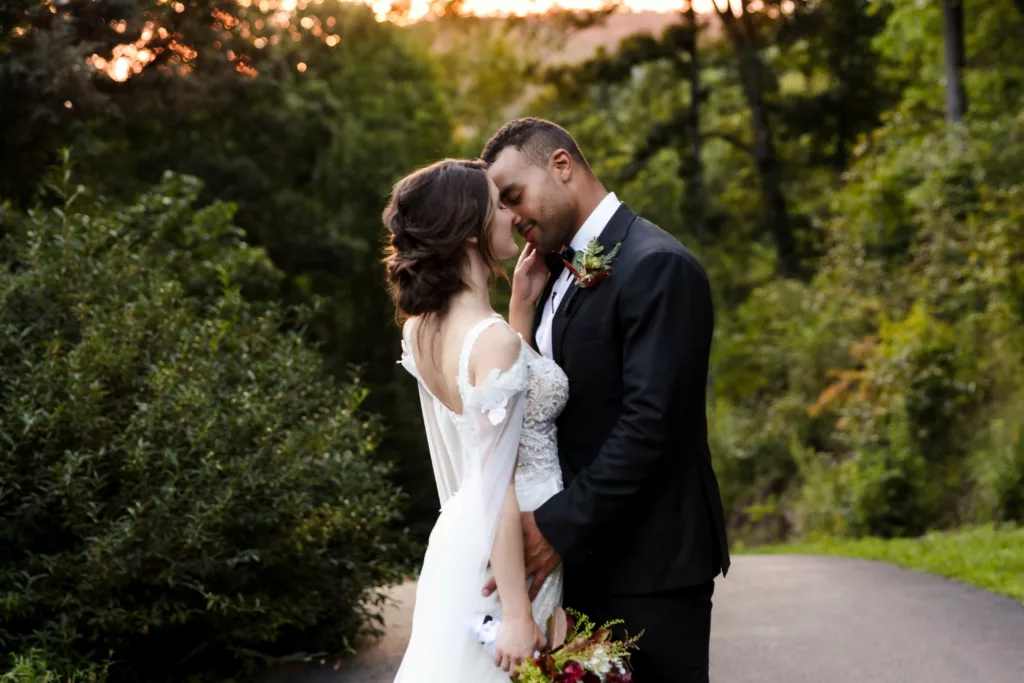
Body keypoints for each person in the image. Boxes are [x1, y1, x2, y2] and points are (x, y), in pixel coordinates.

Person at [480, 118, 731, 682]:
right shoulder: (552, 275)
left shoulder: (657, 265)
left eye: (514, 196)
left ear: (562, 166)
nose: (511, 216)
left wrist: (554, 529)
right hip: (586, 562)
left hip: (651, 564)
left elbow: (652, 424)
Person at [383, 158, 568, 681]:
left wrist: (520, 317)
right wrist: (515, 614)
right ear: (469, 232)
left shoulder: (422, 330)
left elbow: (484, 427)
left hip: (466, 534)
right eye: (498, 206)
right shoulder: (489, 341)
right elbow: (496, 479)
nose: (511, 214)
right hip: (517, 548)